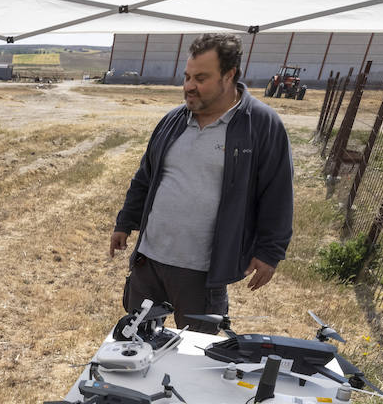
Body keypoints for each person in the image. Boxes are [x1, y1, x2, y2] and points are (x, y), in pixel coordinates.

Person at [108, 33, 294, 330]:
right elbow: (145, 177)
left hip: (202, 271)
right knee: (136, 341)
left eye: (201, 78)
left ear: (229, 75)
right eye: (187, 77)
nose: (189, 86)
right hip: (149, 261)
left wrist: (270, 252)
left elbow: (277, 193)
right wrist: (125, 222)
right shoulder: (173, 121)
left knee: (196, 347)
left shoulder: (260, 125)